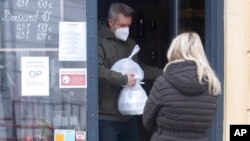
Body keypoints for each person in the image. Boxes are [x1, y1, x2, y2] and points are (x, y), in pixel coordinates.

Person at [98, 2, 162, 141]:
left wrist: (163, 73)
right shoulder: (98, 42)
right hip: (107, 116)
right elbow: (97, 71)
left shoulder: (130, 43)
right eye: (122, 25)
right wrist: (123, 79)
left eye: (128, 25)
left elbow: (139, 69)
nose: (126, 29)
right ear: (111, 22)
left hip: (129, 115)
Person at [143, 32, 221, 141]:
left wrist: (163, 130)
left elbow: (147, 120)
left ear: (174, 51)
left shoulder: (162, 82)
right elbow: (209, 120)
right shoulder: (212, 85)